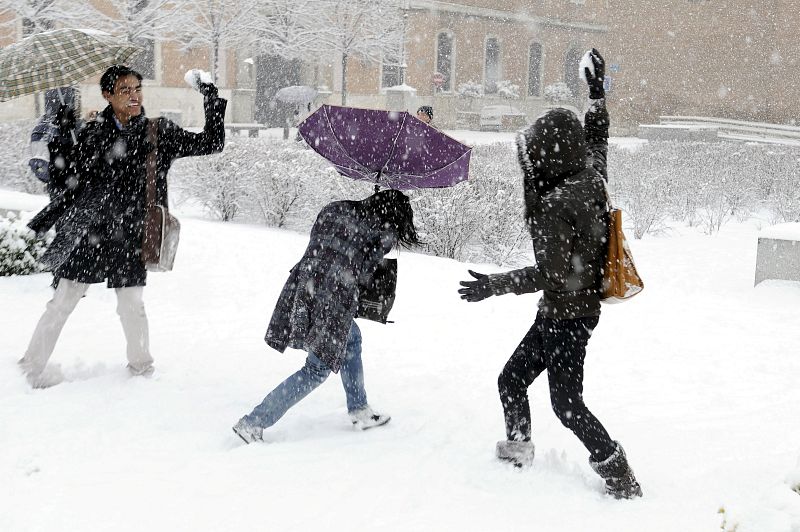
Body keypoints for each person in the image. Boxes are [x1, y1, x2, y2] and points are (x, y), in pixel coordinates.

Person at [457, 49, 642, 499]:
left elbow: (552, 274)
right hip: (572, 309)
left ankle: (621, 478)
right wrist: (595, 94)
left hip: (567, 315)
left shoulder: (555, 204)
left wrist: (494, 285)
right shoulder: (589, 176)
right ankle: (518, 449)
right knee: (512, 380)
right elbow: (598, 140)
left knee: (567, 404)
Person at [19, 65, 227, 388]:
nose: (133, 96)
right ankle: (30, 367)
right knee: (62, 302)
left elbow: (212, 142)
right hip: (90, 234)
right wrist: (61, 138)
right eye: (124, 90)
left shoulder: (158, 132)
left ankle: (141, 371)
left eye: (137, 89)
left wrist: (211, 96)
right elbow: (64, 181)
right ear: (107, 95)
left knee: (132, 306)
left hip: (131, 236)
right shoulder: (90, 132)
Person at [233, 189, 420, 444]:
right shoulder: (381, 233)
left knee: (351, 339)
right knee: (316, 369)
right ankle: (253, 422)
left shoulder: (334, 207)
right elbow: (366, 272)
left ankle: (359, 409)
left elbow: (320, 243)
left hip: (305, 285)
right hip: (334, 297)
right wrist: (377, 242)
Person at [28, 87, 83, 200]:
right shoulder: (77, 127)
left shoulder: (40, 129)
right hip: (75, 188)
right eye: (76, 99)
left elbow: (39, 167)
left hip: (58, 190)